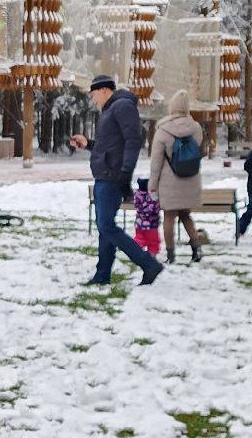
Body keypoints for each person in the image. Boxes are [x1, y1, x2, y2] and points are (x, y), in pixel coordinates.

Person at [68, 75, 162, 286]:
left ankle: (148, 264)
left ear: (103, 90)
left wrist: (125, 171)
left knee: (107, 227)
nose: (93, 100)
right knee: (105, 227)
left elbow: (133, 141)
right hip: (106, 174)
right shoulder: (111, 110)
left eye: (93, 95)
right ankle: (102, 275)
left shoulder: (121, 107)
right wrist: (88, 143)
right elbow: (109, 146)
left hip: (112, 176)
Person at [149, 89, 205, 263]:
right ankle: (196, 249)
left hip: (169, 182)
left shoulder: (163, 130)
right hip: (190, 179)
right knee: (186, 215)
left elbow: (156, 162)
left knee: (169, 217)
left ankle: (170, 255)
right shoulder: (196, 128)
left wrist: (152, 186)